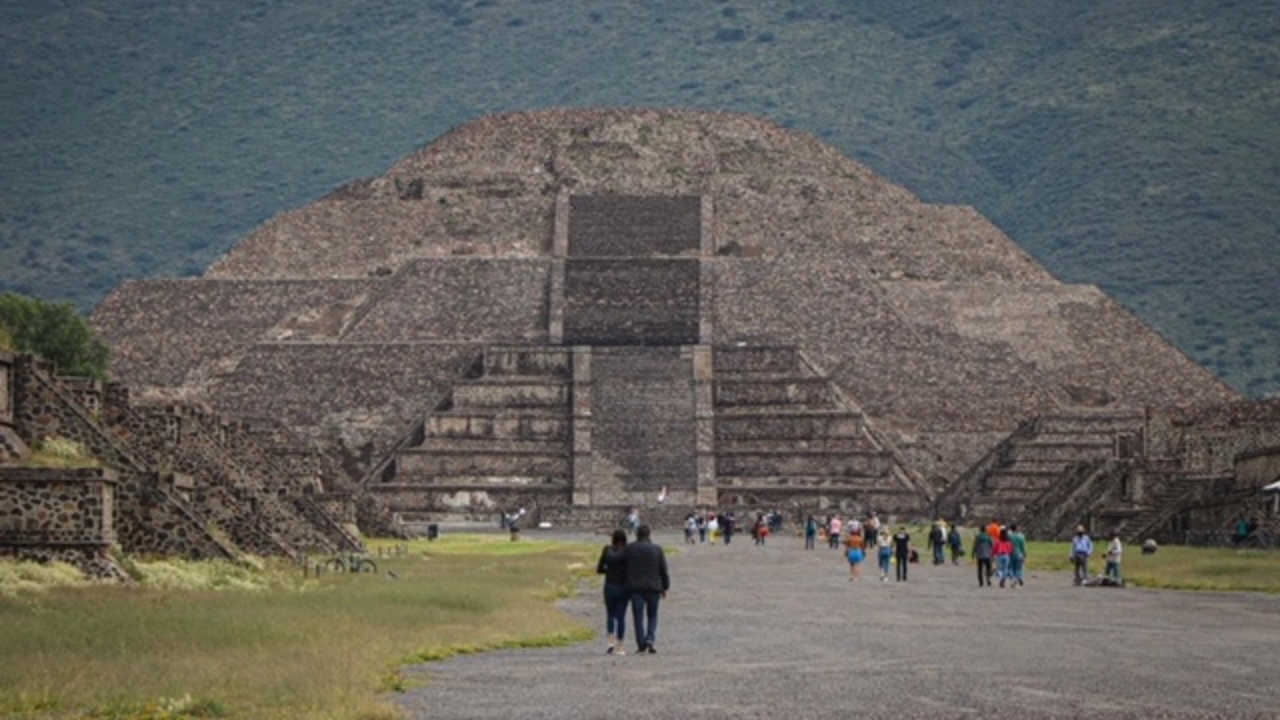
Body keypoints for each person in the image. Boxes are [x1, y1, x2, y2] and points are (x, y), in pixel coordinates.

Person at [625, 524, 670, 654]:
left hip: (636, 587)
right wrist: (665, 586)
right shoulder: (656, 549)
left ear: (637, 534)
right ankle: (650, 638)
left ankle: (641, 643)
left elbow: (625, 567)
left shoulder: (630, 549)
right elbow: (663, 569)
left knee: (638, 616)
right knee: (652, 614)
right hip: (653, 586)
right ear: (649, 535)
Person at [596, 529, 629, 655]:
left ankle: (610, 640)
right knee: (621, 617)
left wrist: (609, 571)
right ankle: (620, 645)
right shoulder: (627, 551)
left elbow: (599, 569)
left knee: (610, 614)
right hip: (623, 586)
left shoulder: (607, 550)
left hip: (609, 585)